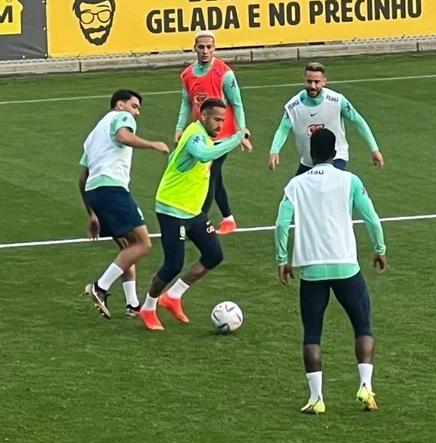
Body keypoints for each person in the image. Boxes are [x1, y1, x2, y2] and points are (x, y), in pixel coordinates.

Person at [275, 128, 387, 414]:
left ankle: (316, 398)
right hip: (346, 265)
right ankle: (365, 386)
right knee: (362, 326)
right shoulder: (349, 180)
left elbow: (281, 224)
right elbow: (371, 217)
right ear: (335, 152)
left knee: (312, 334)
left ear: (311, 155)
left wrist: (282, 259)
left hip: (311, 270)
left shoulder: (296, 184)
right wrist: (380, 249)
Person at [139, 98, 247, 331]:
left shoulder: (205, 136)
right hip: (172, 209)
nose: (220, 125)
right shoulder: (196, 134)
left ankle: (173, 296)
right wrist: (237, 138)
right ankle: (148, 307)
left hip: (193, 211)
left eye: (223, 121)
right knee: (173, 264)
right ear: (203, 115)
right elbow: (203, 154)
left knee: (213, 254)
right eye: (217, 119)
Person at [79, 89, 169, 319]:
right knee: (143, 243)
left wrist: (92, 214)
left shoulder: (92, 135)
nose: (136, 113)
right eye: (134, 106)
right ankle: (100, 287)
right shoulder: (122, 118)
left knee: (128, 247)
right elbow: (123, 137)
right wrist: (152, 144)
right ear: (120, 105)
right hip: (112, 189)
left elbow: (82, 177)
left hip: (94, 192)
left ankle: (132, 304)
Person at [174, 30, 252, 235]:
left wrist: (241, 132)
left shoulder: (224, 73)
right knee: (214, 177)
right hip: (201, 134)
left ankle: (199, 222)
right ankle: (228, 219)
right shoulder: (187, 74)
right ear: (195, 48)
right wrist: (179, 128)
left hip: (222, 135)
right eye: (201, 47)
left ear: (214, 48)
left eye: (209, 47)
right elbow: (186, 103)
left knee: (210, 175)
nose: (205, 50)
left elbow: (237, 103)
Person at [268, 62, 384, 175]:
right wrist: (274, 151)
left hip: (336, 157)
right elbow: (283, 129)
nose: (313, 86)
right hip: (308, 161)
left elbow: (358, 121)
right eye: (309, 81)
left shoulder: (337, 100)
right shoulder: (294, 106)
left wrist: (374, 149)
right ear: (304, 80)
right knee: (294, 191)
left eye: (317, 82)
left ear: (324, 81)